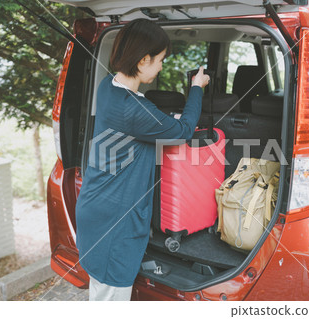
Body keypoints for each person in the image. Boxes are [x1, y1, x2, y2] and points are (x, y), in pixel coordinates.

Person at [75, 18, 210, 301]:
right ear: (143, 59)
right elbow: (184, 132)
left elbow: (140, 125)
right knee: (110, 299)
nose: (161, 66)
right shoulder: (135, 110)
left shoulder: (107, 87)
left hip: (96, 208)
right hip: (115, 225)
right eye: (160, 60)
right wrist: (196, 87)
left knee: (100, 292)